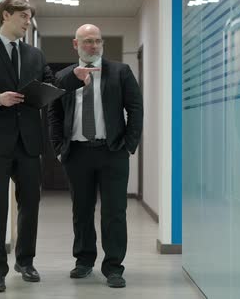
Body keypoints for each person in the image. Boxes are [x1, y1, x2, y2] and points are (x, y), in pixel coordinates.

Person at [0, 0, 84, 293]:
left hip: (30, 142)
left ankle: (25, 261)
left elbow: (50, 84)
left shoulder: (34, 54)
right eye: (24, 17)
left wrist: (73, 77)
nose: (28, 22)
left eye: (29, 17)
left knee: (30, 204)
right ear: (6, 15)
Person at [48, 24, 143, 288]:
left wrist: (129, 145)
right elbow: (54, 113)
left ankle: (113, 266)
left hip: (112, 152)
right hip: (77, 153)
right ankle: (84, 261)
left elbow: (136, 109)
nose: (94, 45)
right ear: (75, 44)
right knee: (82, 210)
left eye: (98, 41)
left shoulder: (120, 72)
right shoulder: (64, 75)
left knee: (115, 212)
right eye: (87, 41)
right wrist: (58, 148)